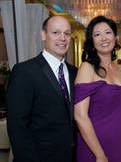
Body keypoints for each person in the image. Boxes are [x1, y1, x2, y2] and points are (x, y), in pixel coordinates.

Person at [7, 16, 78, 162]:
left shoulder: (74, 72)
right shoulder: (24, 71)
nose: (62, 38)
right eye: (56, 32)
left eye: (67, 33)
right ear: (43, 35)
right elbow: (17, 125)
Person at [74, 15, 121, 162]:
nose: (104, 38)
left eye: (108, 32)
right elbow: (80, 116)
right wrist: (100, 155)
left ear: (115, 37)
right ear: (92, 41)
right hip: (95, 145)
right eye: (97, 34)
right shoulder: (87, 68)